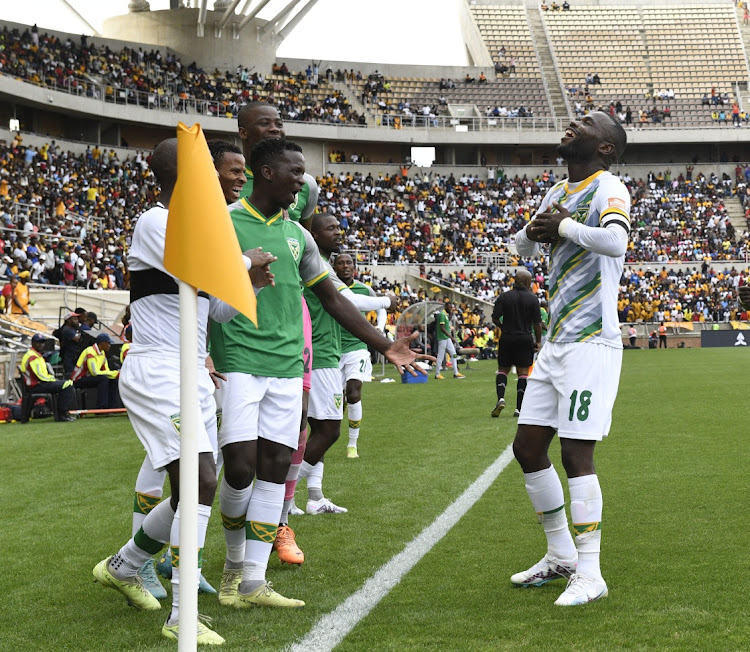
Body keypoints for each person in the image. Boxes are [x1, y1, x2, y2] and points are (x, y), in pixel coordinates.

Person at [209, 138, 425, 611]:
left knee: (272, 469)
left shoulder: (299, 237)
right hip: (239, 363)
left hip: (288, 368)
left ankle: (252, 581)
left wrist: (385, 344)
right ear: (266, 173)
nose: (302, 182)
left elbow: (332, 297)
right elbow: (206, 296)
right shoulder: (224, 223)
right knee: (241, 468)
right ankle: (231, 566)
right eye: (294, 172)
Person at [92, 137, 275, 646]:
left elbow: (211, 307)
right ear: (190, 177)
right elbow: (202, 267)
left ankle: (125, 565)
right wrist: (242, 265)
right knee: (200, 481)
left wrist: (251, 286)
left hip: (190, 370)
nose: (228, 181)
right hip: (160, 371)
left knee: (193, 486)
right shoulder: (156, 222)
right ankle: (182, 614)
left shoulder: (193, 232)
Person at [510, 111, 629, 606]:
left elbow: (616, 241)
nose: (573, 124)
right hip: (555, 344)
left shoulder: (610, 186)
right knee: (526, 449)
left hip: (591, 343)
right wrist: (532, 233)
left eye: (586, 122)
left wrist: (566, 226)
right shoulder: (557, 190)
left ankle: (592, 572)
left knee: (576, 454)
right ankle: (560, 556)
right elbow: (522, 247)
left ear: (604, 146)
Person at [299, 216, 395, 509]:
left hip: (322, 350)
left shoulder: (318, 264)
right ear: (313, 234)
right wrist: (387, 301)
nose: (338, 233)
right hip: (322, 353)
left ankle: (314, 496)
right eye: (330, 229)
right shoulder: (318, 265)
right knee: (328, 430)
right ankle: (279, 495)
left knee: (315, 430)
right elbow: (349, 301)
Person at [334, 252, 387, 459]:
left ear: (354, 267)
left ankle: (352, 445)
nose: (345, 266)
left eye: (349, 262)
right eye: (341, 263)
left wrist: (380, 327)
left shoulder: (364, 289)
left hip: (357, 347)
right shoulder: (327, 287)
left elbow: (381, 307)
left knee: (354, 392)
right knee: (335, 401)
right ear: (334, 267)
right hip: (333, 350)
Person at [490, 269, 542, 418]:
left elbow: (494, 318)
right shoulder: (532, 299)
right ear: (527, 282)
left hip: (507, 337)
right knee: (523, 373)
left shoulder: (504, 297)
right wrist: (537, 341)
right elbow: (537, 323)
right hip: (525, 338)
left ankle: (500, 398)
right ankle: (519, 408)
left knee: (503, 370)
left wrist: (503, 327)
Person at [19, 334, 75, 422]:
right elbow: (40, 376)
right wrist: (54, 380)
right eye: (38, 343)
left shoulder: (36, 354)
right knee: (67, 385)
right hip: (36, 385)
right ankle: (62, 414)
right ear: (33, 343)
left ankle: (61, 413)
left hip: (39, 384)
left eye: (42, 343)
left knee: (67, 384)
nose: (41, 345)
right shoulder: (32, 356)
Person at [71, 333, 120, 409]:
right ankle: (101, 407)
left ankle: (113, 407)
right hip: (79, 379)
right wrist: (115, 373)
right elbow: (94, 372)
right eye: (108, 343)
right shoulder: (90, 351)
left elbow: (106, 370)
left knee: (112, 379)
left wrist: (115, 375)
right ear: (102, 343)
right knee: (103, 379)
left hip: (90, 377)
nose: (110, 346)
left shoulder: (102, 353)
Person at [434, 303, 465, 380]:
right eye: (450, 307)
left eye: (452, 308)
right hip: (443, 338)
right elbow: (442, 328)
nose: (451, 309)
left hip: (447, 338)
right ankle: (437, 374)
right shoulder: (442, 315)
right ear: (446, 307)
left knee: (453, 354)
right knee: (440, 356)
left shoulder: (446, 315)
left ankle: (456, 373)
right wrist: (451, 337)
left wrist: (452, 313)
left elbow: (448, 321)